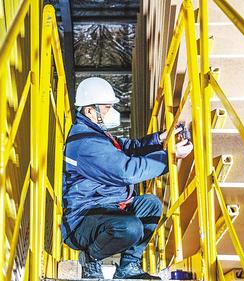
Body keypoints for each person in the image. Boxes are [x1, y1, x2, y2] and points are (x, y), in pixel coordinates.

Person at [62, 77, 193, 279]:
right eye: (106, 107)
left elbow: (127, 148)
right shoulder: (86, 145)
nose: (111, 112)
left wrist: (161, 139)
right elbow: (127, 171)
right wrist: (170, 158)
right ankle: (90, 258)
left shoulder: (96, 134)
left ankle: (128, 267)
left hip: (107, 208)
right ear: (90, 111)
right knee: (130, 227)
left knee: (151, 204)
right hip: (82, 220)